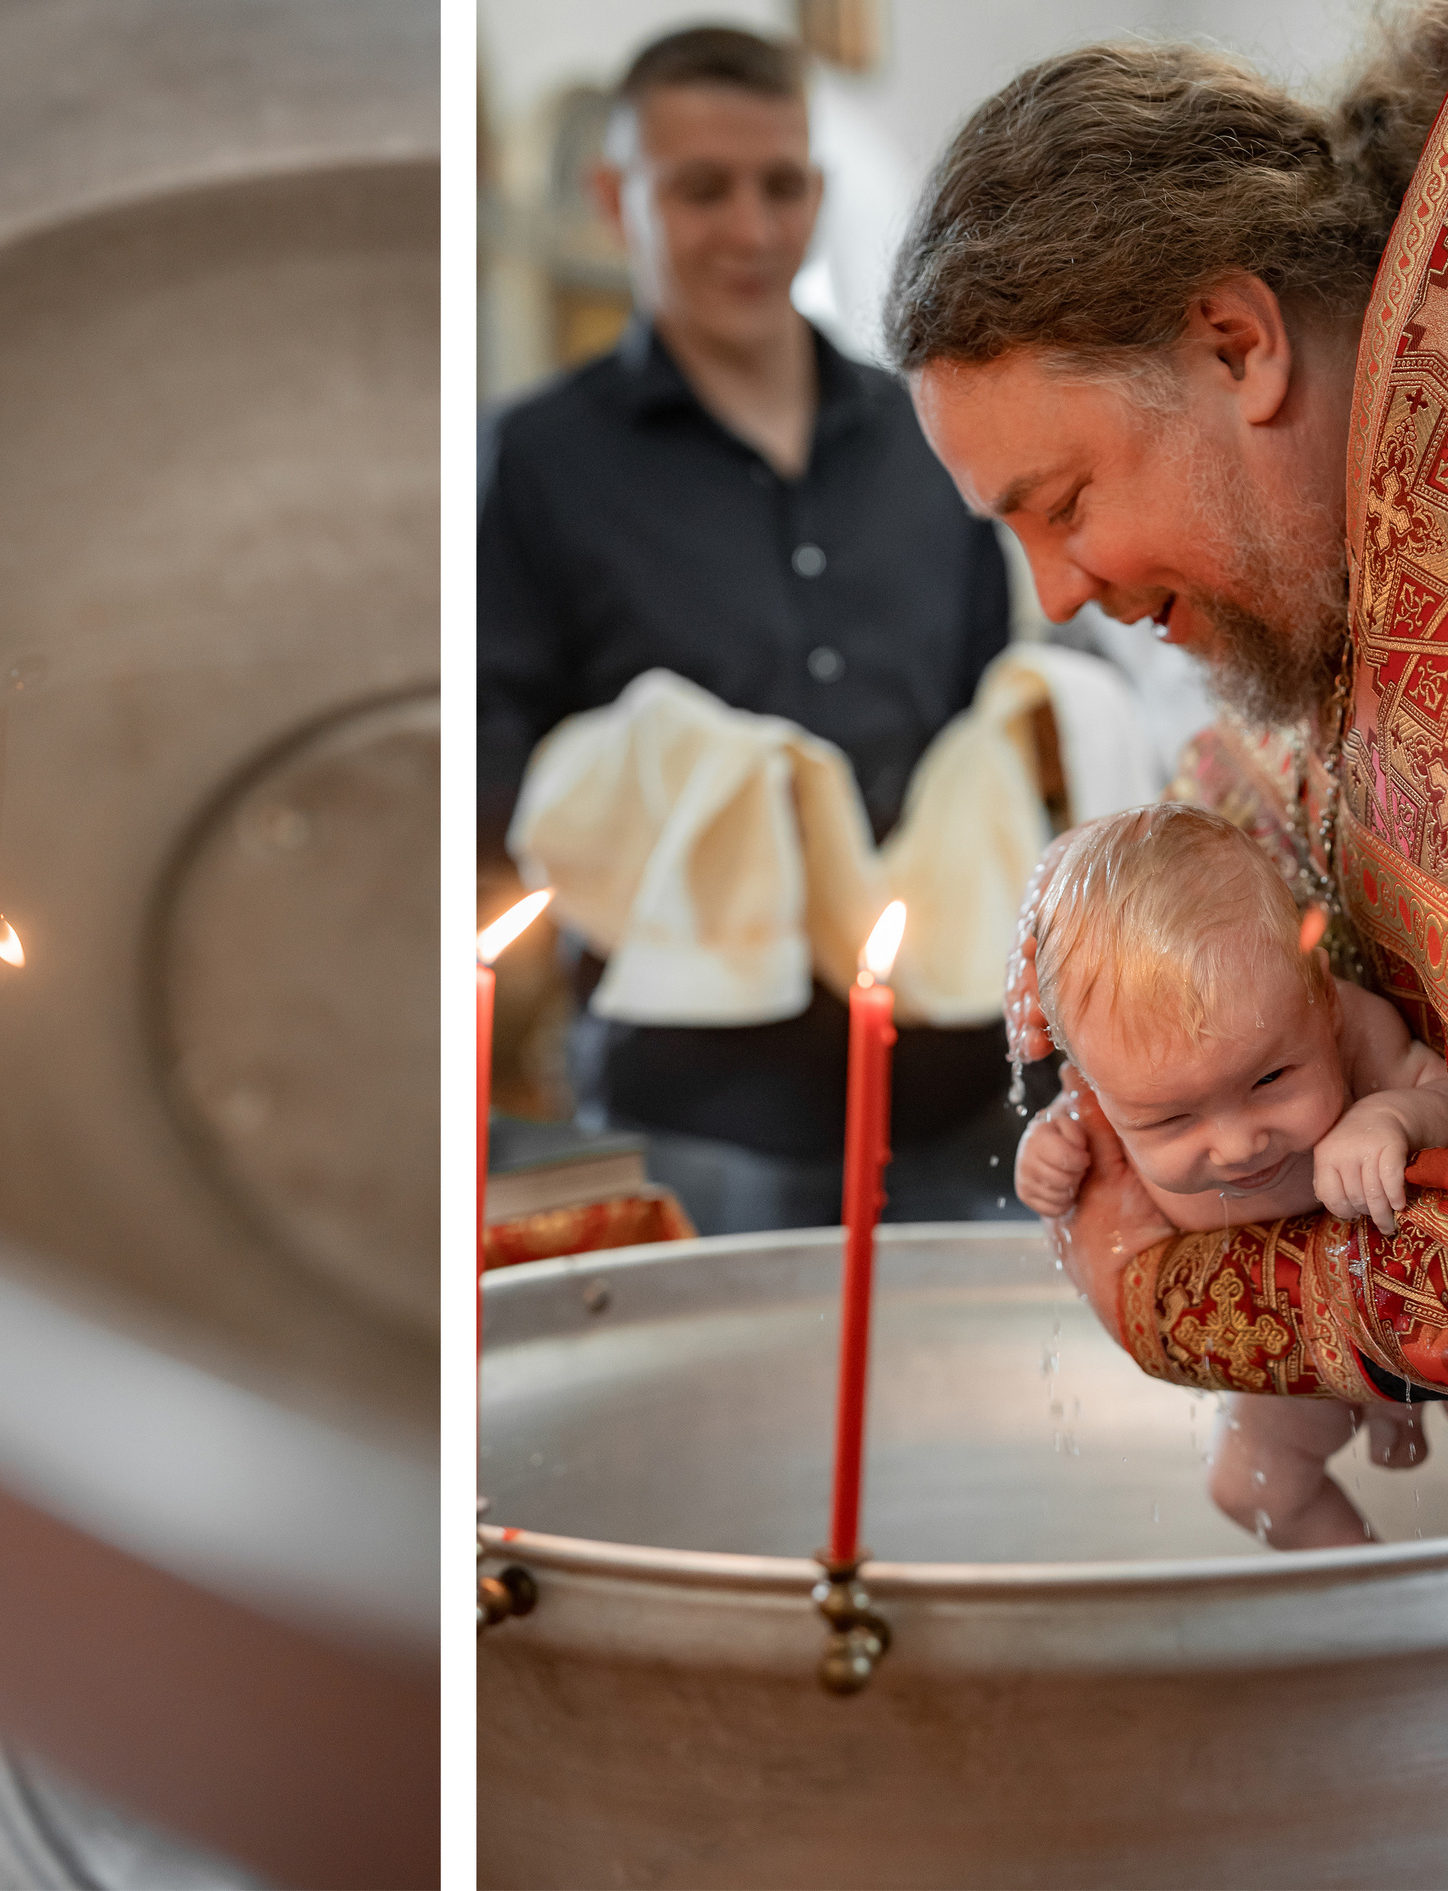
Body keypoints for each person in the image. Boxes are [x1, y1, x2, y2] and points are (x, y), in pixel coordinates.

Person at [886, 0, 1448, 1466]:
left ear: (1236, 343)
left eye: (1067, 500)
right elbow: (1283, 807)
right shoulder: (1405, 497)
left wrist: (1184, 1291)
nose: (1063, 590)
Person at [479, 25, 1014, 1233]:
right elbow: (494, 755)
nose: (750, 228)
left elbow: (993, 707)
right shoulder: (536, 462)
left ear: (816, 191)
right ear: (618, 201)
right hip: (705, 1100)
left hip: (965, 1065)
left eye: (780, 185)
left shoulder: (928, 433)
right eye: (700, 189)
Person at [1013, 805, 1448, 1546]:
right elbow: (1071, 1140)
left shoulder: (1354, 1031)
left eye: (1270, 1077)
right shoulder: (1101, 1106)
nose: (1237, 1144)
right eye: (1169, 1121)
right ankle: (1379, 1606)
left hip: (1445, 1314)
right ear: (1093, 1086)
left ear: (1321, 996)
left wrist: (1390, 1118)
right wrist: (1046, 1149)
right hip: (1293, 1347)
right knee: (1243, 1486)